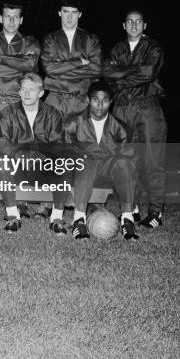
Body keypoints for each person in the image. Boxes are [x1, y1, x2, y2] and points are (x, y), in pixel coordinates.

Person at [38, 0, 102, 219]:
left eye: (74, 12)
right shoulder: (50, 39)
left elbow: (95, 70)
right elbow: (49, 70)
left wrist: (63, 67)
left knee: (80, 152)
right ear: (59, 13)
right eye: (66, 11)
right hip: (55, 99)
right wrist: (78, 63)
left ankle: (79, 201)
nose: (69, 16)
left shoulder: (91, 39)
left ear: (80, 15)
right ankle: (49, 202)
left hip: (81, 100)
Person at [103, 10, 167, 228]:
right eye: (129, 22)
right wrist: (129, 73)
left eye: (138, 21)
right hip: (121, 108)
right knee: (126, 161)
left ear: (144, 25)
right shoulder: (118, 48)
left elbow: (147, 73)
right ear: (123, 25)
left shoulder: (153, 47)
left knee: (152, 161)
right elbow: (106, 72)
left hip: (147, 108)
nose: (133, 25)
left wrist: (120, 76)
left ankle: (156, 212)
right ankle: (131, 208)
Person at [0, 73, 72, 235]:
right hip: (18, 168)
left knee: (64, 162)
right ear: (19, 92)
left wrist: (38, 155)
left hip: (42, 168)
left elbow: (58, 145)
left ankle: (56, 218)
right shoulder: (7, 113)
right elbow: (1, 143)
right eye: (23, 89)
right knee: (1, 161)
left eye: (31, 89)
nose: (26, 93)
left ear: (41, 93)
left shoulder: (53, 113)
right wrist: (21, 155)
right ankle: (12, 215)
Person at [65, 80, 138, 240]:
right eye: (95, 99)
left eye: (105, 100)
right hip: (81, 169)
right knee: (86, 160)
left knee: (125, 163)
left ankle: (127, 219)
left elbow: (128, 157)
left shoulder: (120, 127)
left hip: (106, 171)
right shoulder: (73, 123)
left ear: (110, 102)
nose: (100, 104)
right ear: (88, 100)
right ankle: (79, 220)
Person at [0, 3, 40, 114]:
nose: (12, 21)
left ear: (21, 20)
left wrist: (2, 58)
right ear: (0, 18)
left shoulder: (29, 42)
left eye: (16, 17)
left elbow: (31, 65)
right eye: (8, 16)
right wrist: (20, 66)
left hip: (17, 104)